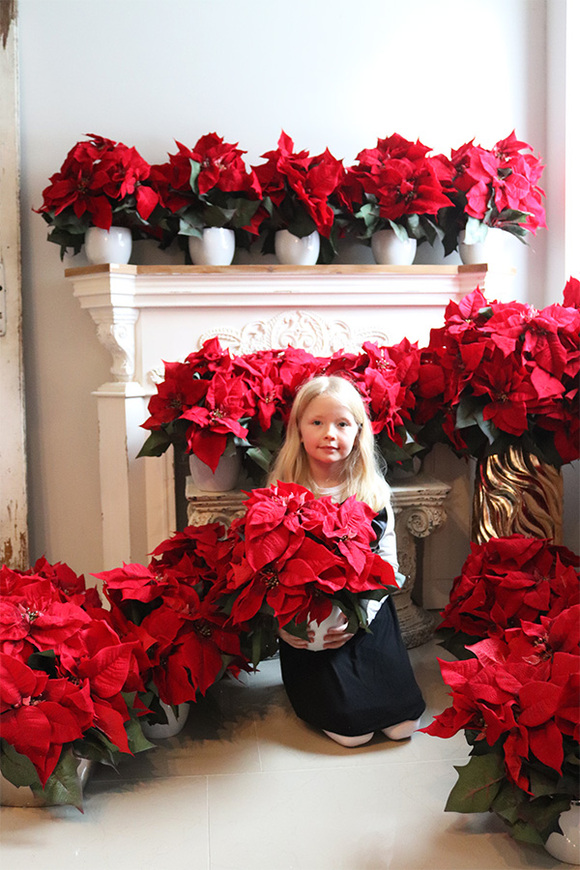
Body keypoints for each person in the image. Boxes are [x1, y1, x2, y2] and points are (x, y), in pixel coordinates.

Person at [268, 375, 426, 747]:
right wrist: (283, 624)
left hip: (366, 612)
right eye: (317, 423)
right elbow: (270, 568)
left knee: (403, 724)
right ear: (299, 430)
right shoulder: (284, 491)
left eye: (342, 424)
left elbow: (387, 561)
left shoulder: (372, 490)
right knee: (352, 731)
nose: (329, 434)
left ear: (358, 432)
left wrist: (361, 618)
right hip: (313, 618)